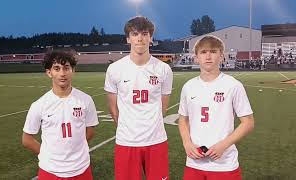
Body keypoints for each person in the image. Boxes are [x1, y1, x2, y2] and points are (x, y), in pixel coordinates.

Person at [104, 16, 173, 180]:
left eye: (144, 33)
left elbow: (162, 108)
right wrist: (128, 129)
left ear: (151, 37)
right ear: (128, 38)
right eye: (135, 34)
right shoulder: (115, 69)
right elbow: (113, 109)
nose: (140, 38)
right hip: (127, 142)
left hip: (156, 140)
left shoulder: (163, 70)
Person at [178, 35, 254, 180]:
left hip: (224, 164)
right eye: (203, 52)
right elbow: (183, 120)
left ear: (222, 56)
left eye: (213, 52)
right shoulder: (188, 87)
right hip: (194, 163)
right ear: (196, 57)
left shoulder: (233, 85)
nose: (208, 56)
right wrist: (187, 143)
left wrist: (223, 145)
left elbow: (248, 122)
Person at [22, 49, 99, 180]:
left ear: (73, 71)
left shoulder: (86, 100)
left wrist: (75, 148)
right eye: (57, 69)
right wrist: (48, 155)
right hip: (50, 171)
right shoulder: (39, 105)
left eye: (66, 68)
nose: (62, 73)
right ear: (49, 72)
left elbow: (90, 131)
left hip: (81, 169)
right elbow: (27, 139)